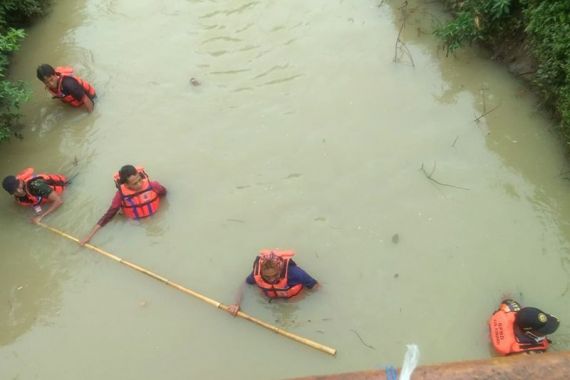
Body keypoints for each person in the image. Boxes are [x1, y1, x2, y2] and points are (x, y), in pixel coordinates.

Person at [80, 165, 166, 245]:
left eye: (139, 179)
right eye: (135, 183)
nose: (139, 184)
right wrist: (89, 236)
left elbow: (164, 194)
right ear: (126, 185)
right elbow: (108, 215)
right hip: (133, 221)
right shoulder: (120, 195)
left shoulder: (152, 185)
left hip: (153, 215)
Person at [227, 249, 318, 316]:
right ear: (262, 272)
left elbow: (316, 286)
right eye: (267, 276)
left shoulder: (295, 273)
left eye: (275, 275)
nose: (271, 279)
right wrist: (236, 304)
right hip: (269, 299)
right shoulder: (257, 274)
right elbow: (244, 285)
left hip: (293, 299)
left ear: (280, 269)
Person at [489, 299, 560, 355]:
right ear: (528, 333)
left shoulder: (507, 311)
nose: (545, 334)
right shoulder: (523, 354)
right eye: (542, 332)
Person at [2, 167, 67, 224]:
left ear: (20, 181)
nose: (19, 191)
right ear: (12, 193)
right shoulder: (18, 197)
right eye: (15, 191)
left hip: (65, 185)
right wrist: (38, 213)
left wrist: (41, 217)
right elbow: (34, 202)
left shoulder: (36, 185)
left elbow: (59, 201)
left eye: (18, 187)